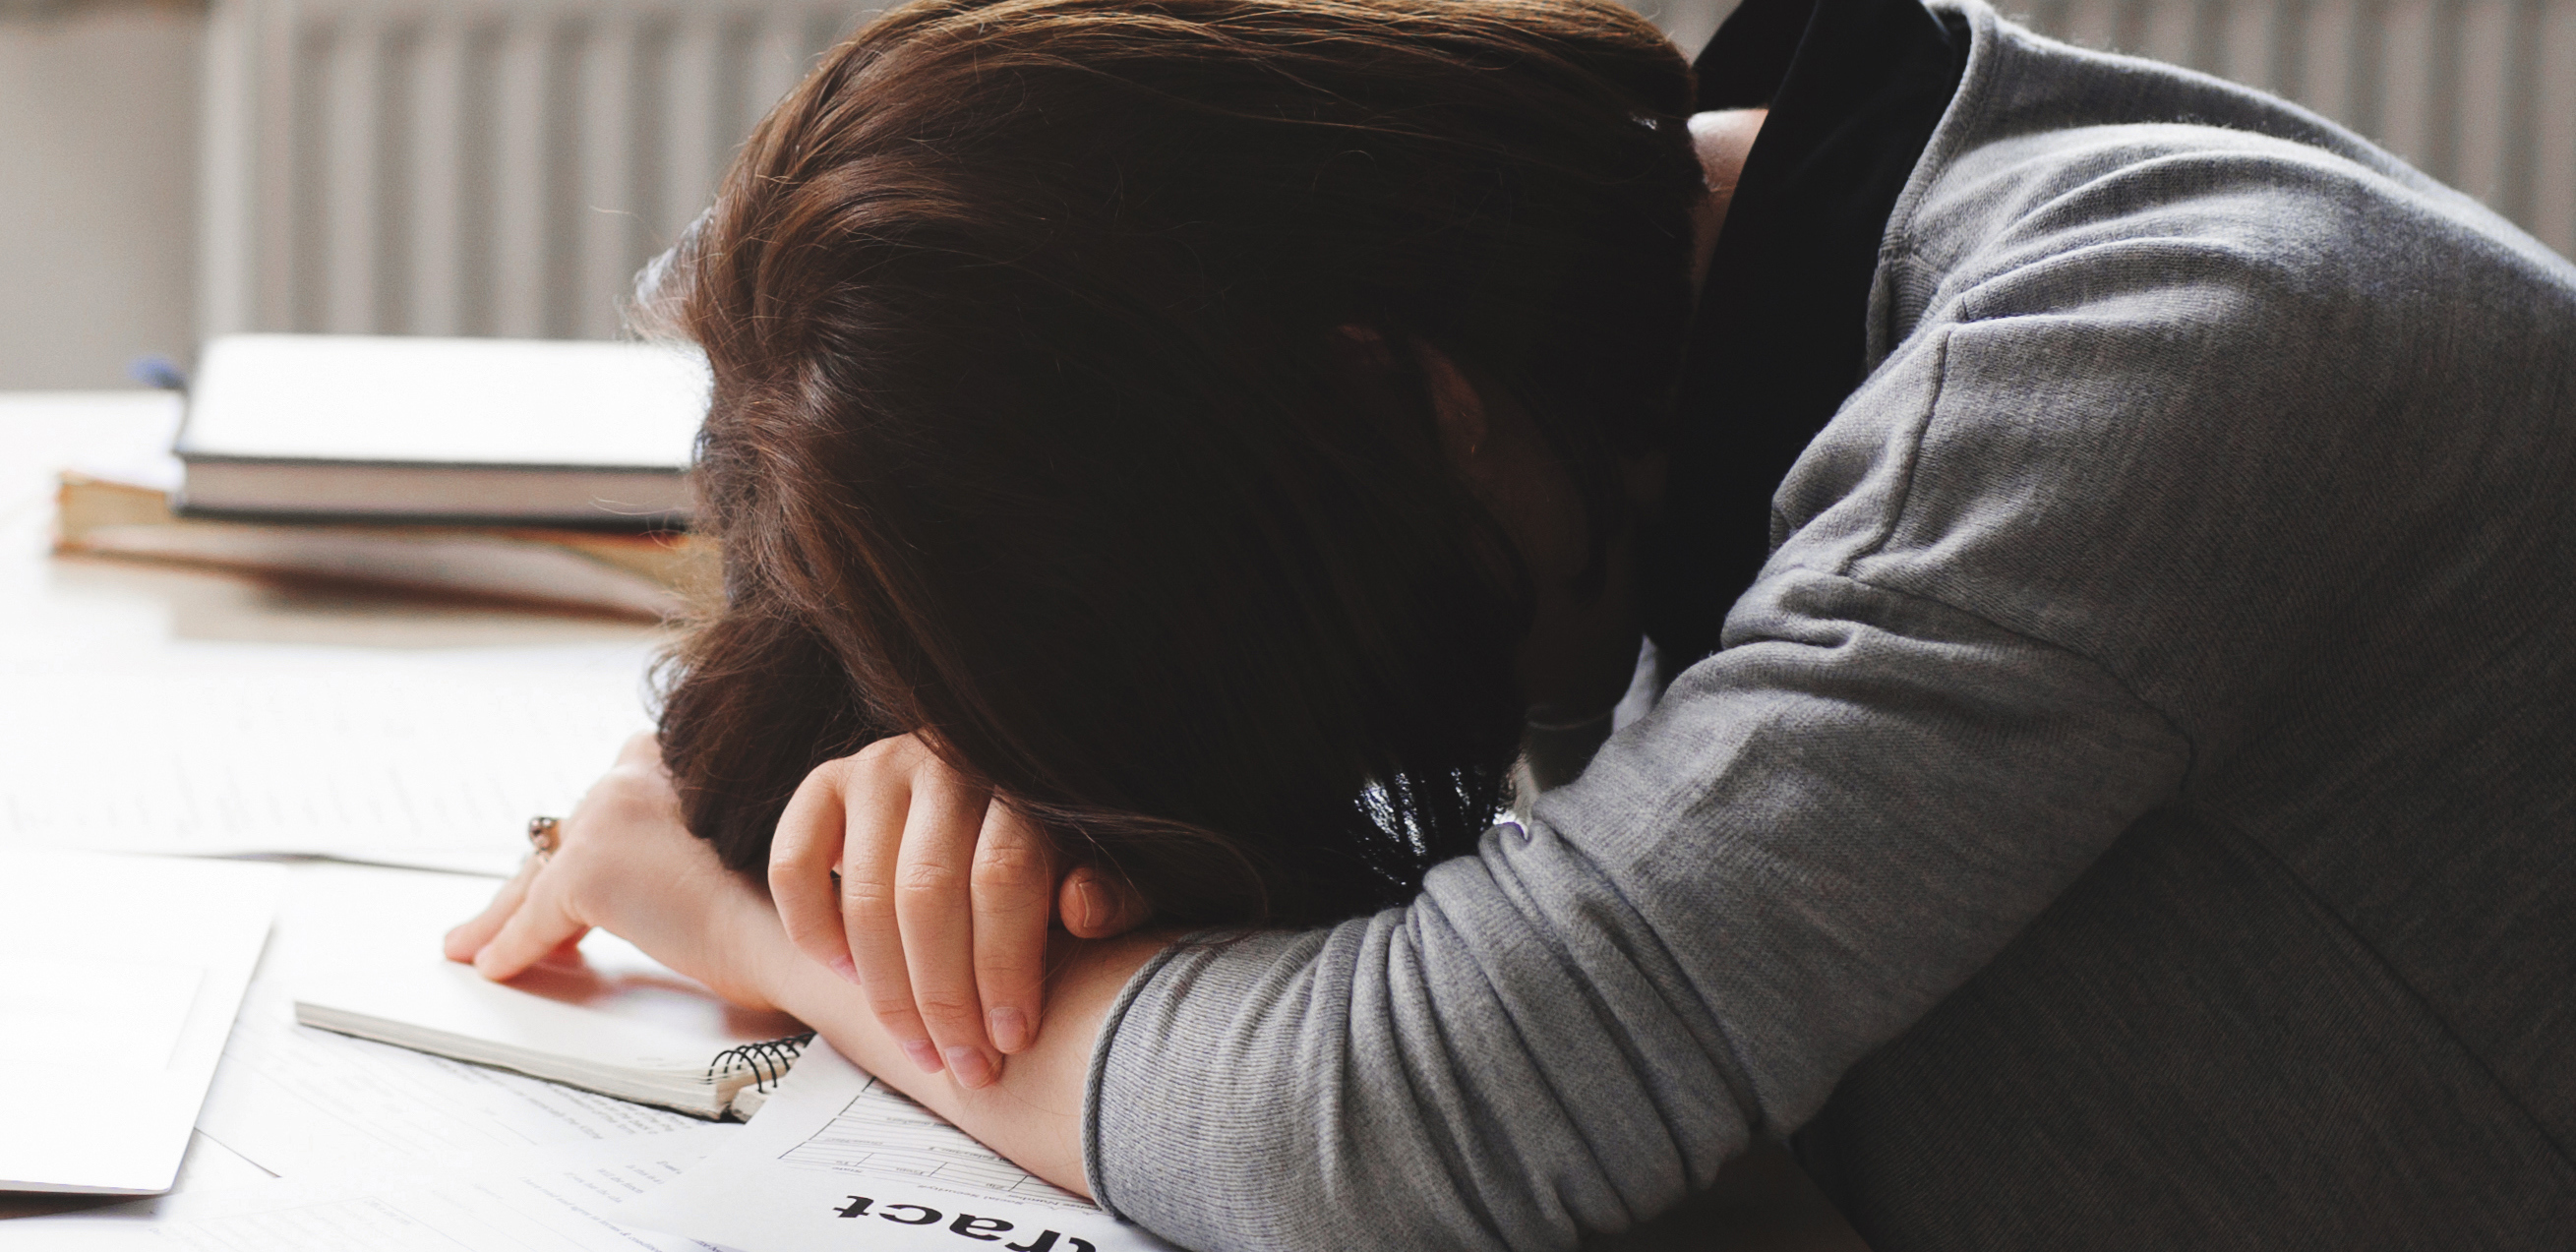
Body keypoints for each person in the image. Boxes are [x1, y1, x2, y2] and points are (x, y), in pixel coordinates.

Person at [447, 0, 2576, 1245]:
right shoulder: (1634, 408)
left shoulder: (2137, 361)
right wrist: (928, 799)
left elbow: (1414, 1108)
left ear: (1401, 402)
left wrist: (767, 941)